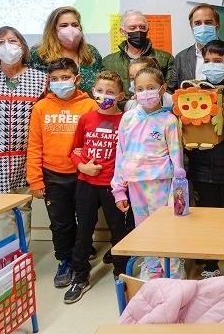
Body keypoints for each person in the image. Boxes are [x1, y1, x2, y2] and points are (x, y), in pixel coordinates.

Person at [0, 27, 47, 244]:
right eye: (0, 42)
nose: (7, 45)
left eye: (12, 40)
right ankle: (4, 263)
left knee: (24, 208)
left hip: (27, 157)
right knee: (0, 213)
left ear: (22, 46)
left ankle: (21, 259)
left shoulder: (40, 79)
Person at [26, 58, 98, 288]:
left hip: (83, 175)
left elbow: (96, 142)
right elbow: (35, 145)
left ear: (76, 79)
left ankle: (81, 255)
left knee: (85, 219)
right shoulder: (41, 108)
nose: (60, 83)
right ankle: (64, 260)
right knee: (60, 223)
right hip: (53, 175)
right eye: (54, 79)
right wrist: (35, 180)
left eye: (65, 78)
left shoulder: (90, 106)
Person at [64, 71, 135, 304]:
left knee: (119, 230)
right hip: (86, 184)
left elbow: (130, 154)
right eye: (101, 91)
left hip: (114, 187)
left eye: (111, 92)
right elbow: (74, 151)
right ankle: (81, 276)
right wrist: (82, 167)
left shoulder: (126, 120)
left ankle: (120, 273)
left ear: (121, 95)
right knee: (84, 230)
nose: (105, 96)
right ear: (94, 92)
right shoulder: (86, 119)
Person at [111, 67, 185, 279]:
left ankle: (172, 268)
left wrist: (177, 198)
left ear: (162, 89)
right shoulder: (128, 118)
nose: (145, 92)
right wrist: (118, 190)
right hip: (136, 185)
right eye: (140, 88)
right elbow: (121, 154)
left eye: (151, 87)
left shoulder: (169, 120)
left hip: (162, 185)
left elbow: (177, 162)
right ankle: (151, 268)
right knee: (143, 229)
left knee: (166, 229)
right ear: (134, 90)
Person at [186, 40, 224, 278]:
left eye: (218, 61)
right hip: (202, 166)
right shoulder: (195, 92)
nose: (212, 65)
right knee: (207, 215)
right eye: (208, 61)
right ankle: (210, 262)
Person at [168, 3, 224, 91]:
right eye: (197, 23)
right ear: (192, 27)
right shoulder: (181, 58)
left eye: (208, 23)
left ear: (217, 26)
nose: (203, 27)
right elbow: (171, 91)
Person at [102, 10, 174, 98]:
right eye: (132, 28)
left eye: (142, 27)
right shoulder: (108, 62)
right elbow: (106, 93)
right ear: (122, 31)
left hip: (154, 109)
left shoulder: (165, 59)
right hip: (120, 110)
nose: (138, 31)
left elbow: (170, 92)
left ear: (147, 29)